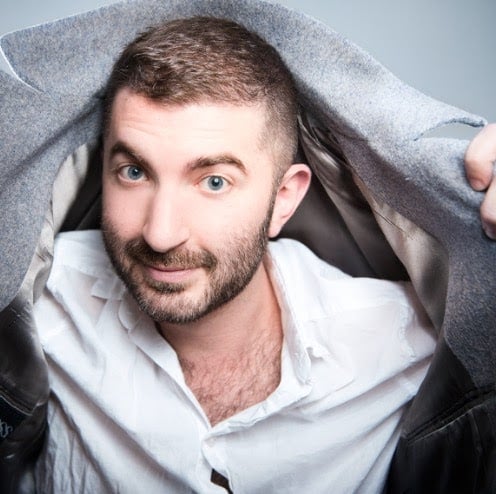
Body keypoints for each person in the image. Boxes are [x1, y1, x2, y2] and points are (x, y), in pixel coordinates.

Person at [26, 15, 496, 493]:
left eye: (214, 182)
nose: (161, 234)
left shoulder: (405, 345)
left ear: (284, 199)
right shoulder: (40, 303)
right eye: (133, 172)